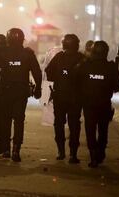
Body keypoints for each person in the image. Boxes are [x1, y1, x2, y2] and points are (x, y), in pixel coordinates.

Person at [0, 28, 42, 162]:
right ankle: (16, 150)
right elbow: (37, 72)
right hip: (21, 92)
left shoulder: (1, 52)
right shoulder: (28, 53)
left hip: (5, 91)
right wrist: (38, 88)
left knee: (5, 121)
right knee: (19, 120)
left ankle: (6, 150)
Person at [77, 41, 119, 168]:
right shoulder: (110, 67)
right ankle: (100, 152)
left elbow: (76, 79)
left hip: (89, 104)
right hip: (104, 104)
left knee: (90, 130)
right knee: (103, 130)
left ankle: (93, 156)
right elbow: (118, 85)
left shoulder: (85, 65)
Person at [45, 34, 84, 164]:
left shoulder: (59, 57)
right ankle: (73, 154)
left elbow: (48, 72)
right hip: (76, 98)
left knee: (59, 124)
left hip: (60, 97)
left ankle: (61, 152)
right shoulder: (82, 59)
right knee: (74, 125)